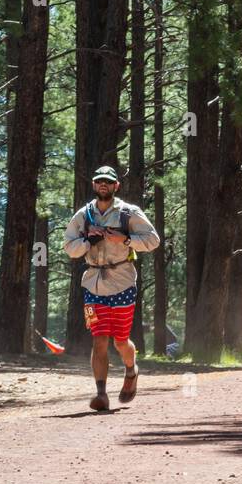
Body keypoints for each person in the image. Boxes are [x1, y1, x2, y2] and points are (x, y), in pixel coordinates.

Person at [63, 165, 161, 411]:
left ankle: (131, 370)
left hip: (123, 283)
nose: (103, 184)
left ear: (116, 186)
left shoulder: (129, 212)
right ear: (94, 186)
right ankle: (101, 394)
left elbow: (153, 240)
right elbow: (69, 247)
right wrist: (88, 240)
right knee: (98, 340)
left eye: (108, 181)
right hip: (92, 286)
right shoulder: (83, 215)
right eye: (99, 181)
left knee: (120, 341)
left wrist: (125, 239)